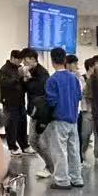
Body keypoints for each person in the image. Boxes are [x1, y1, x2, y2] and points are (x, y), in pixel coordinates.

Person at [44, 46, 85, 188]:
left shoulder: (52, 80)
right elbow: (79, 96)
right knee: (74, 150)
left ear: (52, 61)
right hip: (73, 118)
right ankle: (76, 178)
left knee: (59, 151)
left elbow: (51, 101)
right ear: (65, 60)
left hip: (59, 119)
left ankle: (62, 180)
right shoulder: (74, 78)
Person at [26, 47, 56, 178]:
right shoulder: (31, 72)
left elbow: (40, 90)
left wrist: (29, 78)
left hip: (42, 113)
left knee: (40, 142)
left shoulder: (42, 73)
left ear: (33, 59)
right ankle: (51, 166)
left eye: (26, 61)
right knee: (33, 141)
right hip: (34, 111)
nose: (25, 63)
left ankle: (50, 167)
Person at [0, 47, 30, 156]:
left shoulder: (19, 68)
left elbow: (22, 85)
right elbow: (5, 84)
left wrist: (26, 79)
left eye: (21, 60)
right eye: (18, 59)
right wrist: (18, 76)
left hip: (20, 101)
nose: (20, 62)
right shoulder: (4, 70)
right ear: (12, 58)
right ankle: (12, 147)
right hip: (9, 102)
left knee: (22, 124)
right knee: (11, 125)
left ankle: (24, 145)